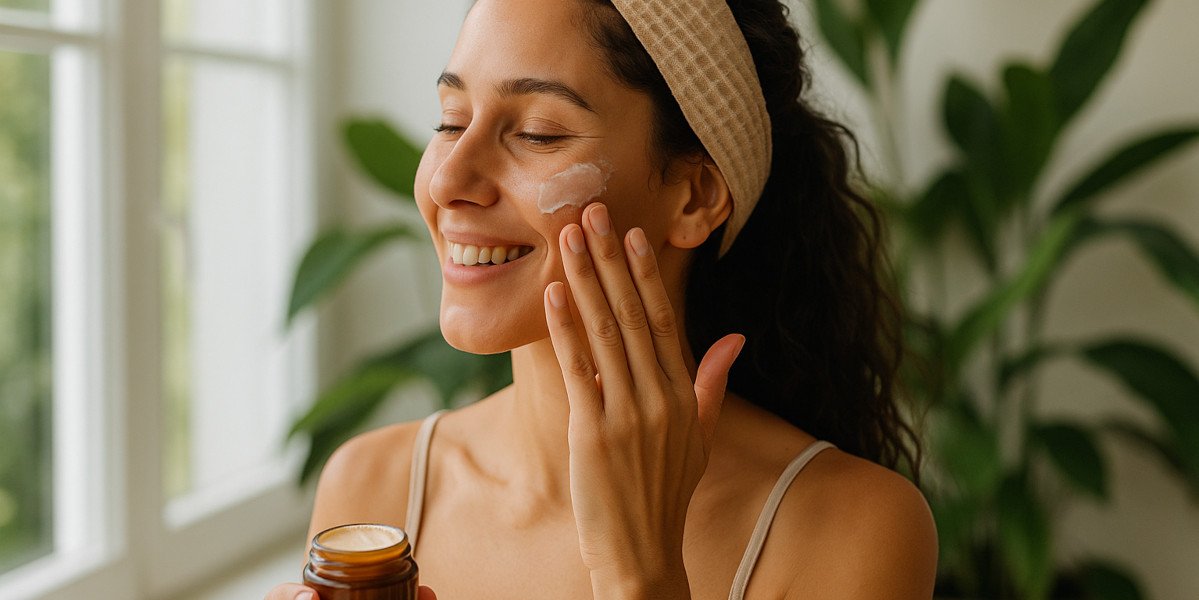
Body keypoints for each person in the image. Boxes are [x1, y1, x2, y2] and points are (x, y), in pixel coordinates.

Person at [269, 0, 937, 598]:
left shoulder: (851, 530)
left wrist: (639, 574)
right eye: (450, 121)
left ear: (694, 195)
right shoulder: (373, 487)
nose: (448, 179)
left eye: (536, 132)